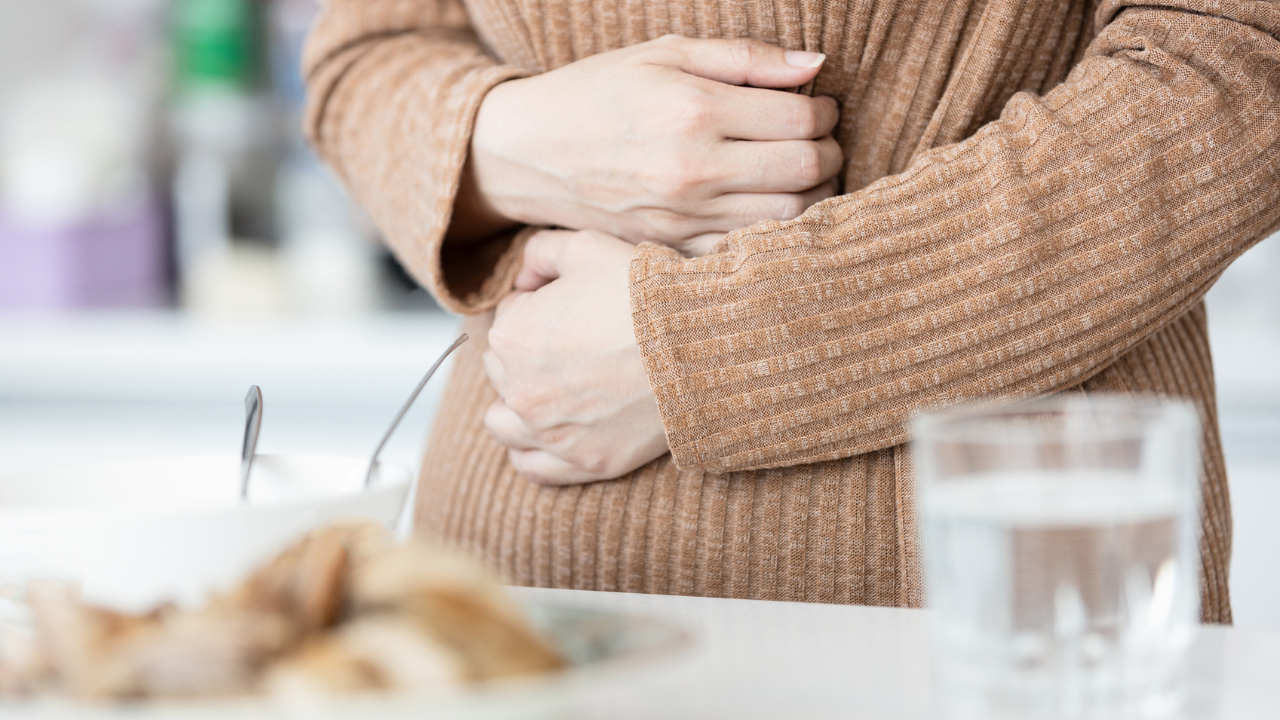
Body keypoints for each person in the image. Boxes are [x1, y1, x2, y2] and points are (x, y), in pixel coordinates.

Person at [303, 0, 1280, 623]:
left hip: (996, 601)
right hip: (508, 592)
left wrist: (705, 347)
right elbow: (365, 54)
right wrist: (507, 137)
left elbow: (1236, 65)